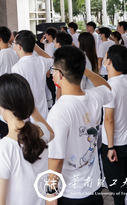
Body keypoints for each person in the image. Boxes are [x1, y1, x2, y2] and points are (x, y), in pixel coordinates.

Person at [46, 46, 112, 204]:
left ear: (59, 74)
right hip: (94, 186)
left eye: (53, 70)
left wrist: (51, 193)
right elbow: (107, 88)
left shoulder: (58, 112)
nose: (52, 73)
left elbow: (56, 159)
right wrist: (84, 70)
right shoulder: (95, 96)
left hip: (71, 193)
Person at [0, 73, 53, 205]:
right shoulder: (40, 131)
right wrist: (32, 109)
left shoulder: (3, 149)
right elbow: (51, 133)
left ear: (1, 106)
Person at [101, 45, 127, 205]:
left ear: (109, 61)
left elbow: (109, 120)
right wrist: (125, 61)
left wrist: (110, 147)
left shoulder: (109, 87)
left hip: (114, 145)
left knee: (117, 190)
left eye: (105, 56)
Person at [11, 30, 52, 118]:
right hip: (43, 114)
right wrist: (35, 47)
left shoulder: (17, 68)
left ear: (19, 47)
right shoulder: (42, 61)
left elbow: (18, 95)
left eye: (14, 43)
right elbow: (51, 59)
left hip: (28, 115)